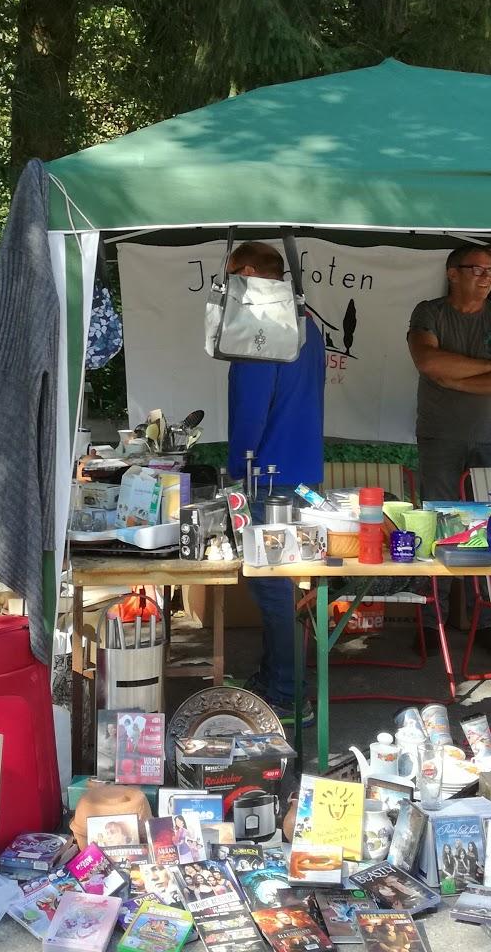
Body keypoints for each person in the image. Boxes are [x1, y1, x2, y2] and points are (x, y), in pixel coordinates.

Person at [408, 246, 491, 645]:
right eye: (476, 269)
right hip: (440, 433)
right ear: (452, 273)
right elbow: (429, 363)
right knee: (439, 524)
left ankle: (489, 622)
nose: (487, 275)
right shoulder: (429, 313)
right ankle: (432, 622)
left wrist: (458, 378)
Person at [225, 241, 325, 723]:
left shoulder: (257, 331)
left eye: (228, 278)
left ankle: (288, 694)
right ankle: (274, 676)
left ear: (246, 273)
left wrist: (232, 472)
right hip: (304, 475)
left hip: (266, 477)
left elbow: (250, 417)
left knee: (272, 587)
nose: (225, 289)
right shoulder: (309, 325)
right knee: (280, 586)